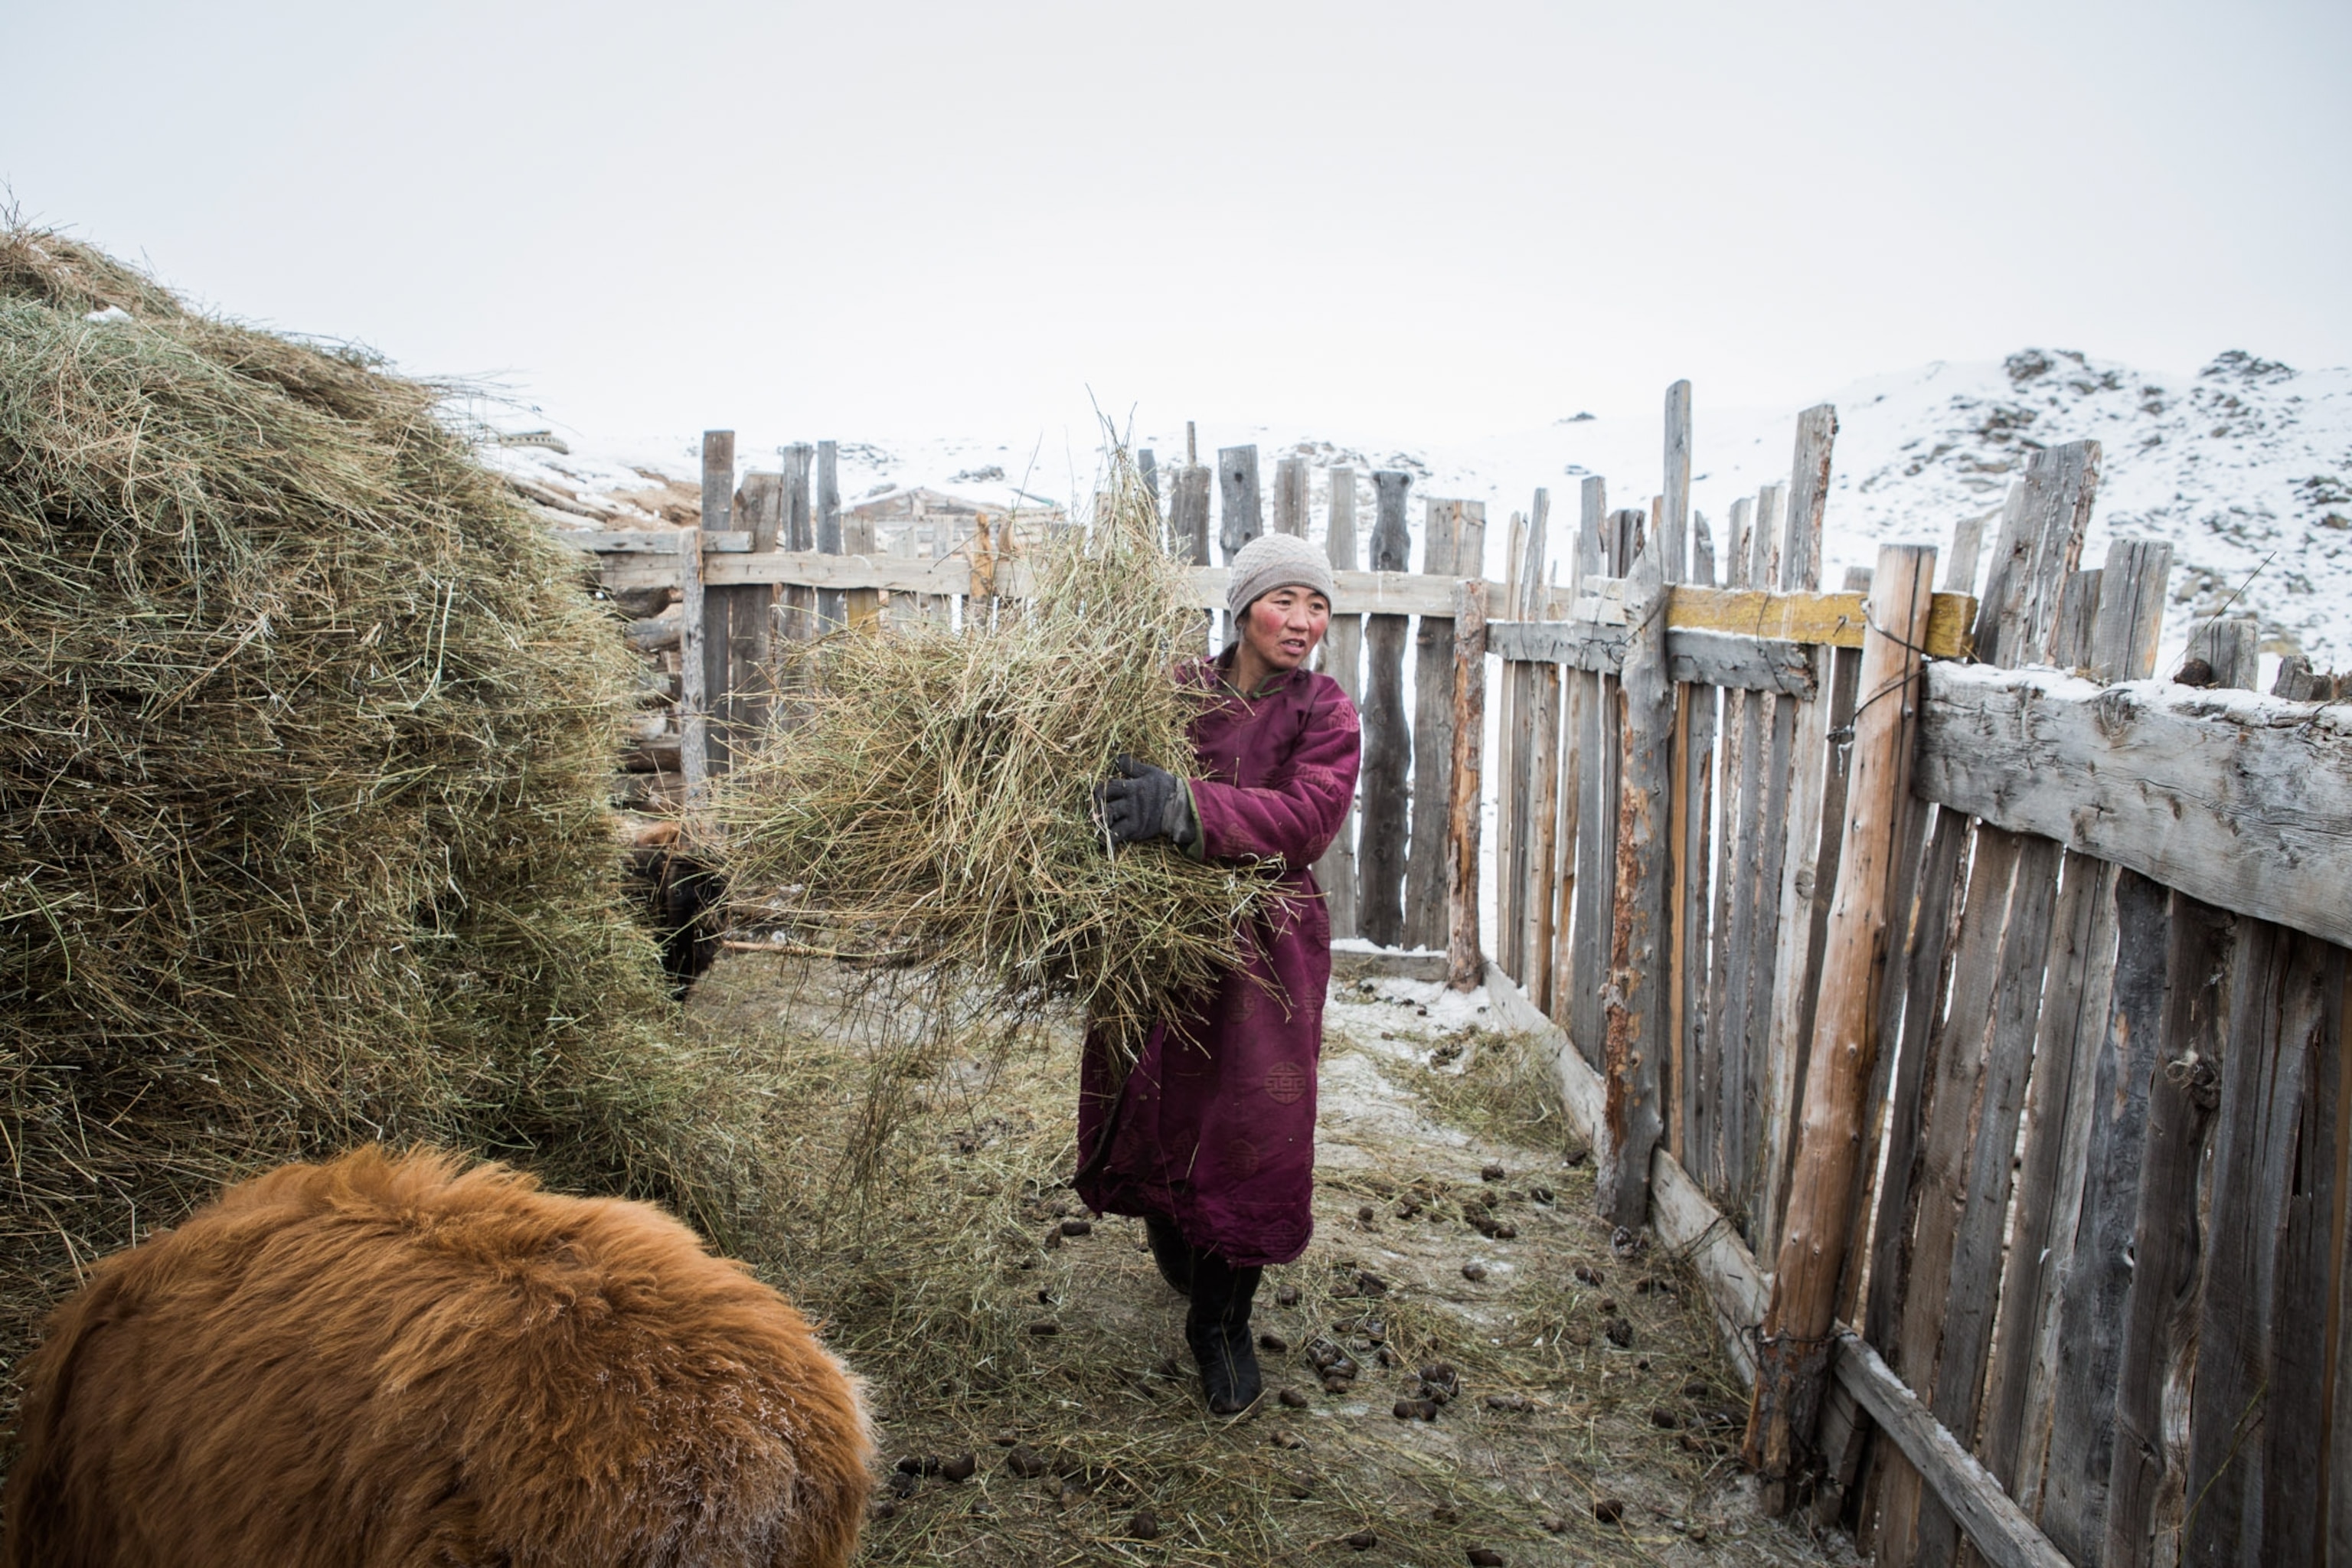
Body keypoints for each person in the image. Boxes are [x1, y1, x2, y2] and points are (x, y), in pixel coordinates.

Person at [1079, 531, 1361, 1416]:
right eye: (1287, 600)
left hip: (1264, 947)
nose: (1304, 621)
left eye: (1317, 605)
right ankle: (1178, 1231)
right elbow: (1105, 769)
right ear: (1243, 607)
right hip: (1160, 938)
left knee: (1251, 1125)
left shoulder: (1327, 711)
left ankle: (1222, 1319)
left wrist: (1185, 804)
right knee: (1159, 1096)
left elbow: (1308, 816)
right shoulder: (1174, 694)